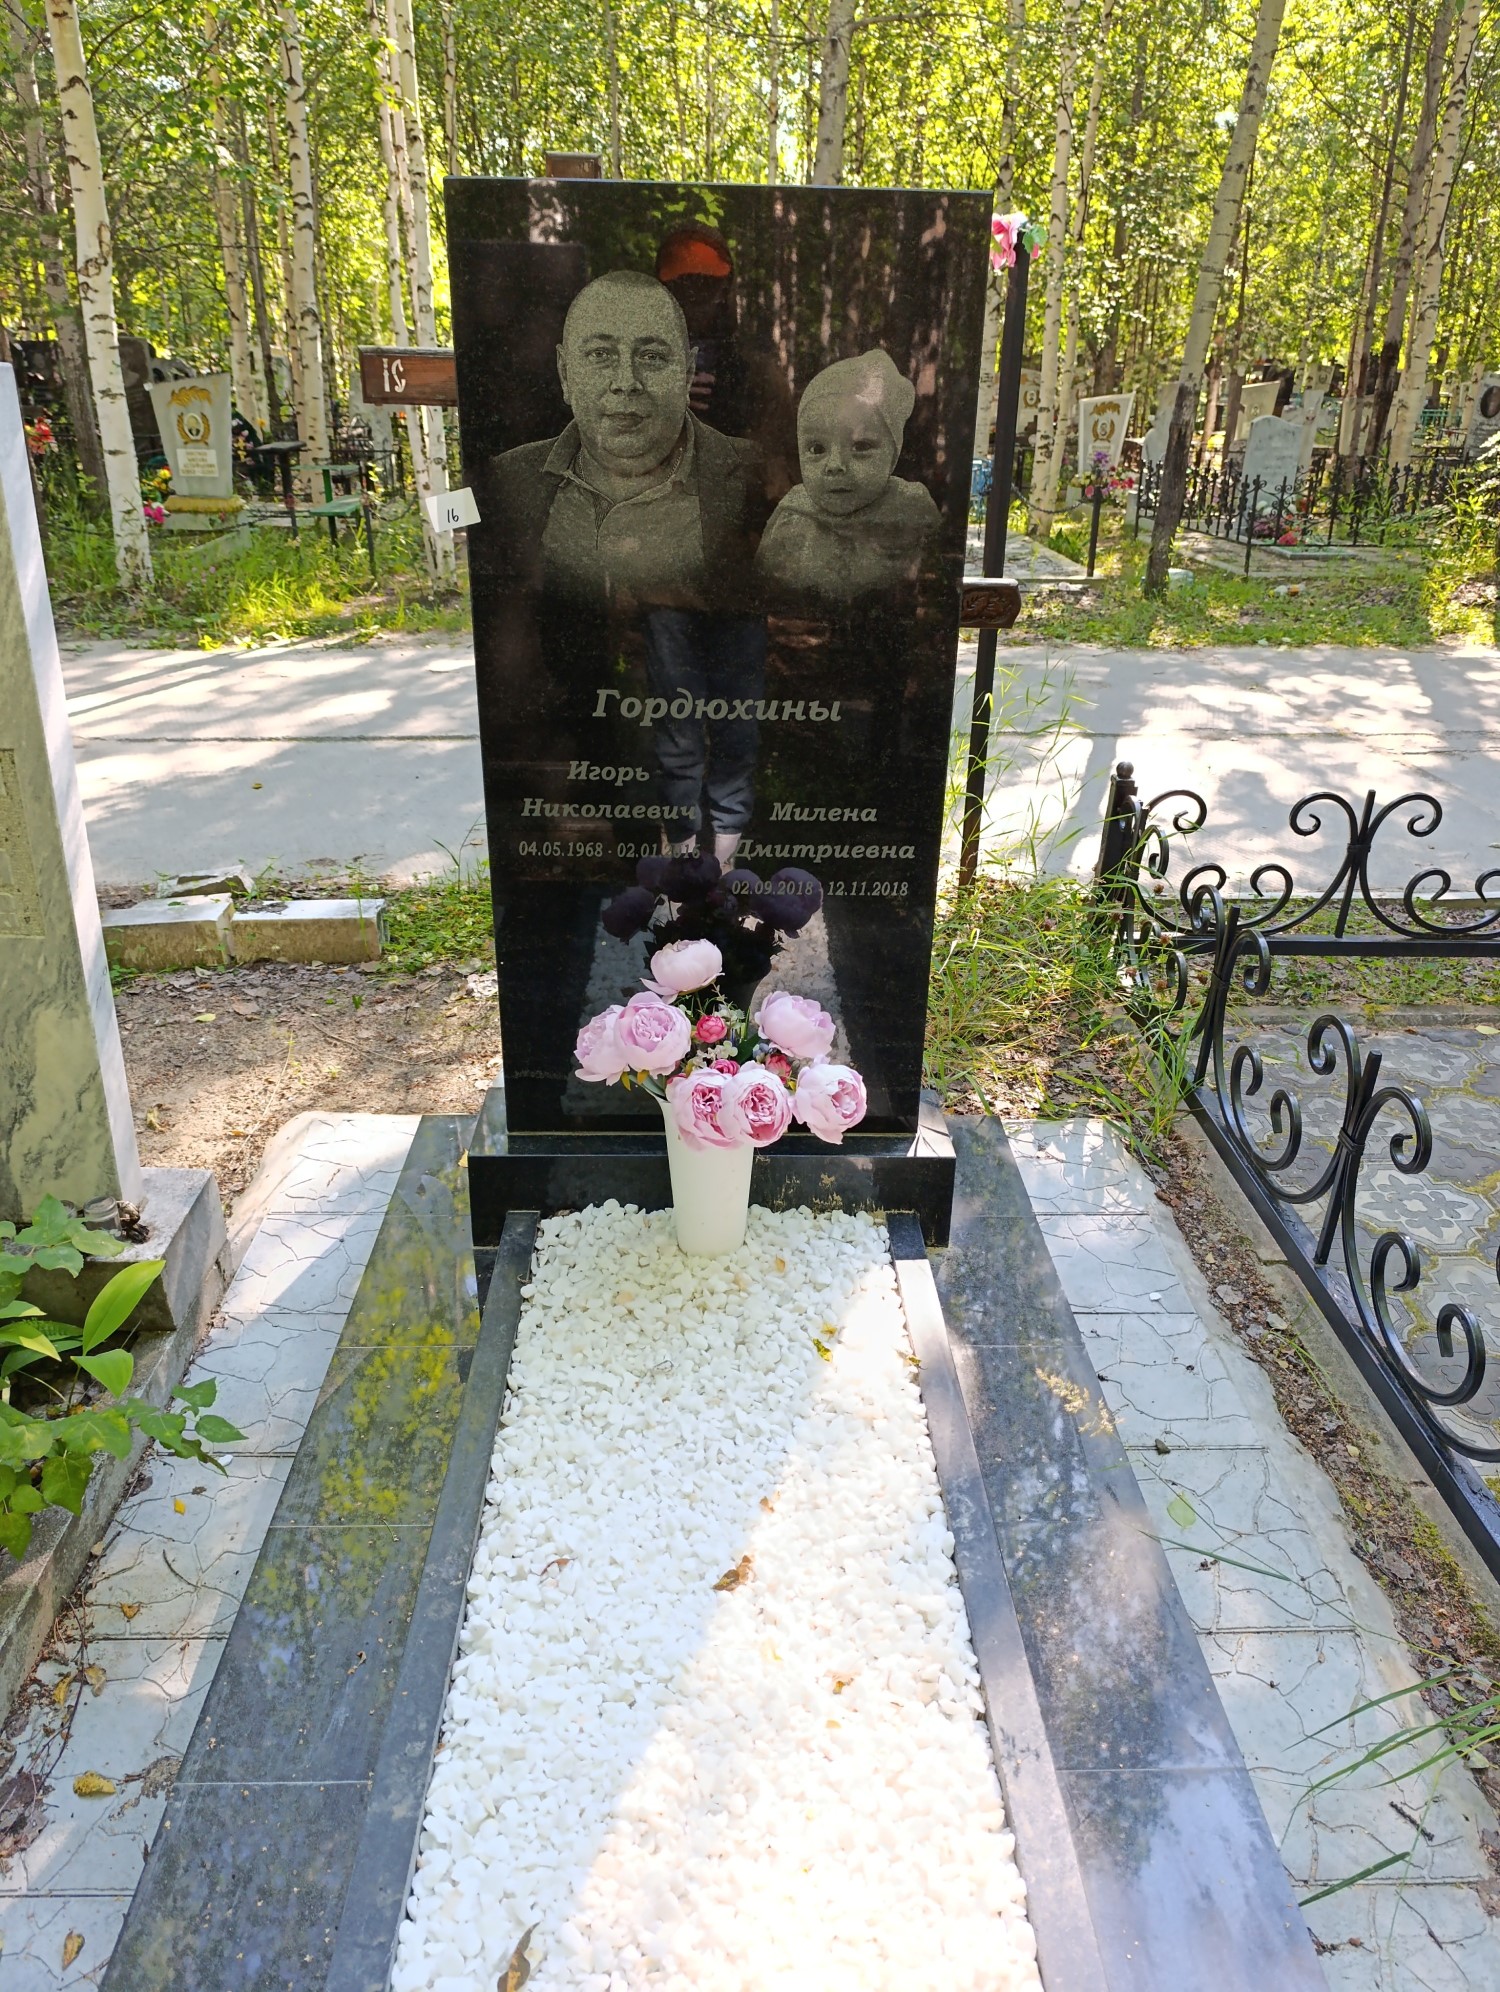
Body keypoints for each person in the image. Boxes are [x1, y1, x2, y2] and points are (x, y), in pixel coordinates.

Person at [481, 268, 769, 863]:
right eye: (600, 356)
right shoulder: (512, 479)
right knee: (656, 757)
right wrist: (436, 511)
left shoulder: (747, 465)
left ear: (687, 371)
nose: (626, 383)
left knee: (720, 745)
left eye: (653, 357)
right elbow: (459, 515)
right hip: (612, 666)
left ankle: (711, 865)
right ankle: (661, 865)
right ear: (565, 373)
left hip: (707, 632)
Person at [756, 347, 939, 612]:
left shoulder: (913, 513)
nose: (834, 466)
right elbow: (767, 591)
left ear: (893, 454)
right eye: (817, 449)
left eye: (861, 447)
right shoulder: (790, 519)